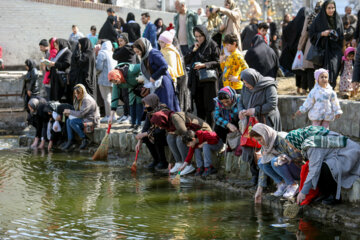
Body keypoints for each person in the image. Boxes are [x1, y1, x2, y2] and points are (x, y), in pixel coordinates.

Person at [285, 126, 360, 205]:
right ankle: (325, 193)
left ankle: (333, 196)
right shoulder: (306, 135)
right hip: (339, 153)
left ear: (297, 142)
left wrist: (303, 192)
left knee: (325, 168)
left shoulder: (312, 145)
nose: (295, 150)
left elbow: (314, 171)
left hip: (349, 155)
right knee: (316, 166)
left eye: (294, 148)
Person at [239, 68, 282, 185]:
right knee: (249, 147)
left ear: (253, 79)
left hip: (266, 121)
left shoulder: (268, 86)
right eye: (244, 83)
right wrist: (241, 110)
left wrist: (256, 110)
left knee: (266, 147)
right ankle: (255, 175)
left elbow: (272, 104)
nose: (246, 85)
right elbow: (240, 100)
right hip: (250, 123)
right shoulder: (245, 87)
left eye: (247, 82)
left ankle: (268, 179)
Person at [250, 124, 303, 203]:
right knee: (261, 162)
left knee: (275, 161)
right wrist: (259, 190)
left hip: (299, 169)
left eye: (260, 139)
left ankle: (293, 185)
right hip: (285, 168)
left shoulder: (283, 139)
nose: (260, 142)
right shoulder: (266, 145)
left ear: (265, 134)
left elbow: (299, 158)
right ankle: (282, 184)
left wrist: (286, 158)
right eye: (257, 140)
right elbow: (263, 167)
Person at [150, 109, 212, 175]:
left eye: (159, 125)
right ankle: (178, 163)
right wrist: (171, 161)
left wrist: (186, 162)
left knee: (180, 139)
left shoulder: (175, 118)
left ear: (162, 120)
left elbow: (186, 135)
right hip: (191, 132)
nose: (160, 128)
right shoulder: (168, 123)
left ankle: (188, 165)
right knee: (169, 137)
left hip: (202, 131)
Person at [184, 25, 220, 126]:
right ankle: (201, 133)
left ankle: (210, 132)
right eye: (196, 36)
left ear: (205, 35)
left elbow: (218, 62)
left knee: (209, 109)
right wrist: (193, 50)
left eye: (200, 36)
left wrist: (204, 65)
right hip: (196, 82)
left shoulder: (212, 45)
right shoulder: (195, 46)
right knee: (199, 109)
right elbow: (186, 60)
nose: (198, 39)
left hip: (208, 82)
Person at [132, 38, 180, 112]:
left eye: (138, 51)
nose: (137, 54)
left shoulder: (153, 53)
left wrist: (154, 77)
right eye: (136, 52)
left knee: (164, 109)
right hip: (156, 84)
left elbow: (164, 66)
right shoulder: (145, 56)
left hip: (163, 84)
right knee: (156, 110)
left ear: (143, 48)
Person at [309, 0, 344, 89]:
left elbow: (341, 35)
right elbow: (312, 34)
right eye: (329, 8)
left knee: (334, 72)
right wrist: (322, 34)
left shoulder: (338, 19)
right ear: (324, 8)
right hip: (322, 52)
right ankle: (321, 95)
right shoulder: (318, 20)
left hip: (335, 51)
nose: (331, 10)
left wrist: (335, 35)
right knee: (322, 74)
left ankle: (330, 91)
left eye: (333, 8)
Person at [135, 94, 169, 170]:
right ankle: (156, 160)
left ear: (152, 102)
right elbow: (146, 127)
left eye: (147, 104)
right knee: (145, 138)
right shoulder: (150, 111)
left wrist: (144, 134)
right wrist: (139, 141)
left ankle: (163, 161)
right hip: (154, 131)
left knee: (156, 134)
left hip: (165, 135)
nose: (146, 106)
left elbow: (160, 128)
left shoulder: (163, 110)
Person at [108, 62, 143, 133]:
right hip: (132, 88)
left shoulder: (131, 70)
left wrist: (141, 76)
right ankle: (133, 124)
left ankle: (139, 124)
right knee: (131, 103)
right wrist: (111, 116)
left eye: (116, 81)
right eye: (113, 82)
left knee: (139, 103)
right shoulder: (116, 82)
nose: (116, 83)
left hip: (140, 85)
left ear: (118, 76)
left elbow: (142, 66)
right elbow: (114, 97)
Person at [62, 84, 100, 150]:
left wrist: (70, 112)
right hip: (85, 118)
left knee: (72, 122)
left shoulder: (87, 100)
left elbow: (81, 114)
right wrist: (70, 114)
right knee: (68, 120)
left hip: (91, 122)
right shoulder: (80, 99)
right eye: (75, 93)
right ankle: (70, 140)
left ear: (82, 92)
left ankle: (85, 139)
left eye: (78, 93)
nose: (76, 95)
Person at [297, 1, 323, 94]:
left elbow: (304, 34)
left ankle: (311, 90)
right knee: (321, 70)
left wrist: (300, 46)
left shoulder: (310, 17)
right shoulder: (326, 18)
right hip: (323, 45)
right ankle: (320, 90)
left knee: (309, 68)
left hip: (310, 44)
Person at [96, 40, 117, 123]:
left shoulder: (102, 53)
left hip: (103, 78)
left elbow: (99, 68)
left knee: (106, 98)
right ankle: (114, 115)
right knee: (113, 97)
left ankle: (109, 115)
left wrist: (95, 73)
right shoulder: (112, 53)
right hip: (113, 78)